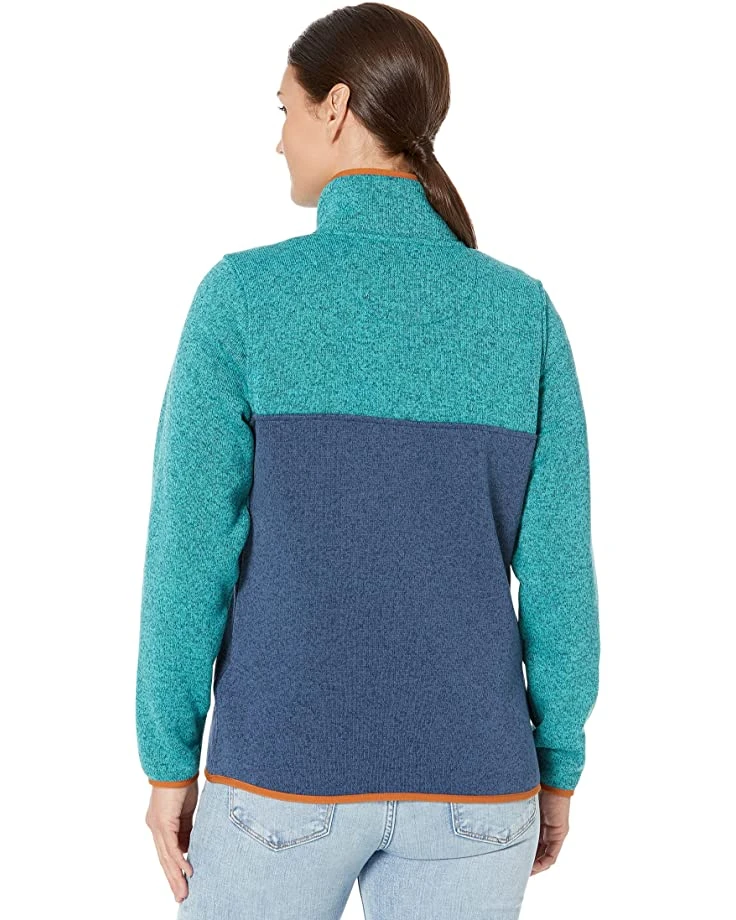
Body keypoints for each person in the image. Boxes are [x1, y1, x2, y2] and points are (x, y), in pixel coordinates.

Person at [135, 4, 600, 918]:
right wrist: (558, 767)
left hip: (279, 773)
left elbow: (188, 554)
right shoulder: (524, 314)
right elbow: (560, 573)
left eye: (284, 110)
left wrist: (167, 762)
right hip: (480, 781)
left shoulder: (243, 298)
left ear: (337, 106)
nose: (278, 140)